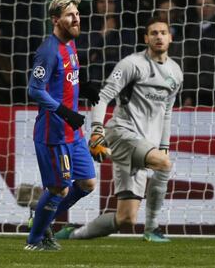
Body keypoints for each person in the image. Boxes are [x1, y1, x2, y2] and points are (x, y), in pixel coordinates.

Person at [55, 17, 183, 242]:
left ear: (170, 37)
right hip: (122, 133)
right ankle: (152, 228)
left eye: (163, 32)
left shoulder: (175, 72)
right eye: (153, 33)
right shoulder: (132, 64)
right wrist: (97, 130)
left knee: (125, 218)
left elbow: (167, 112)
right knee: (164, 164)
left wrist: (163, 146)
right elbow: (102, 97)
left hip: (145, 145)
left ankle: (72, 234)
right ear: (146, 38)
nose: (159, 36)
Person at [25, 0, 100, 251]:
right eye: (70, 15)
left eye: (77, 14)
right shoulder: (48, 50)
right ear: (56, 20)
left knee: (87, 183)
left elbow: (67, 76)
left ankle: (42, 216)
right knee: (60, 188)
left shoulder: (70, 44)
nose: (76, 18)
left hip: (73, 131)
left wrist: (85, 86)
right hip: (54, 132)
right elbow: (34, 89)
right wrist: (64, 111)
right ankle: (35, 240)